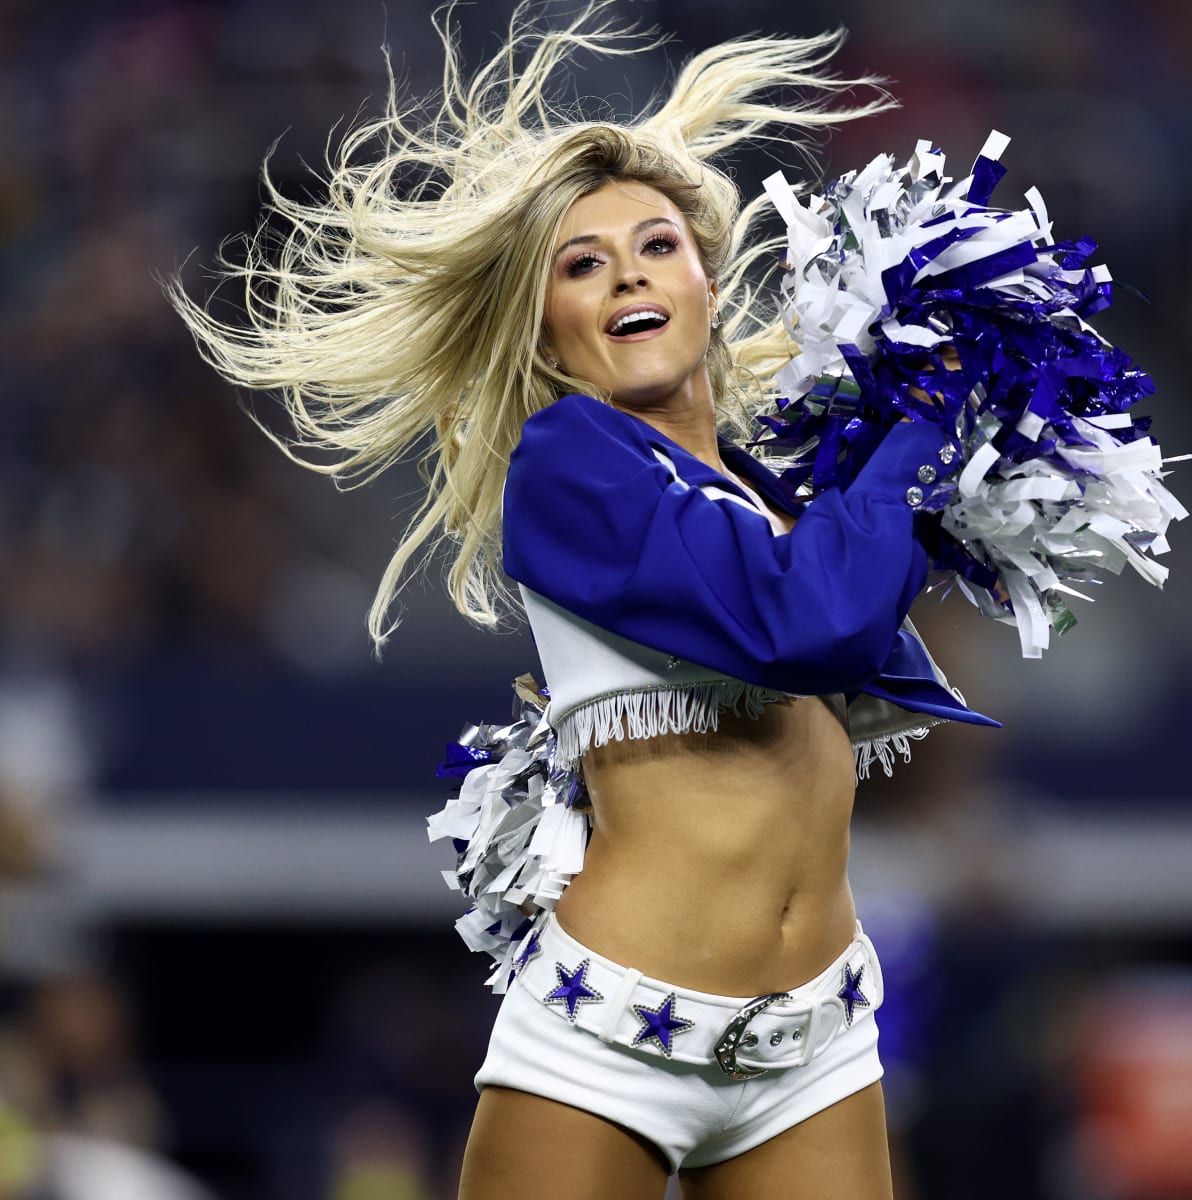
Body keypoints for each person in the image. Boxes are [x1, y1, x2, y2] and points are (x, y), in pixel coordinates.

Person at [168, 6, 998, 1196]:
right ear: (551, 331)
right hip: (616, 1035)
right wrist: (921, 420)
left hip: (816, 1033)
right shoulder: (569, 464)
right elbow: (814, 628)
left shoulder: (764, 495)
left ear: (710, 281)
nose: (628, 277)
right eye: (583, 264)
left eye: (658, 246)